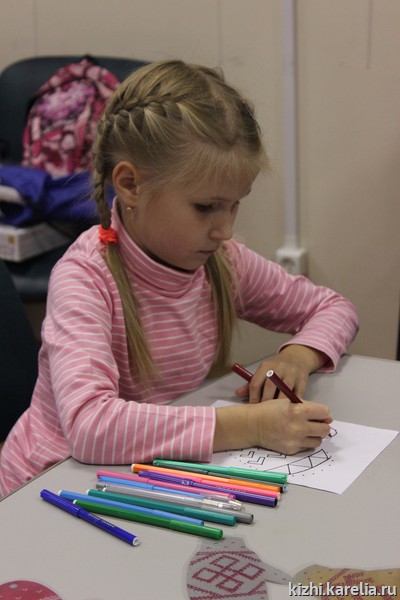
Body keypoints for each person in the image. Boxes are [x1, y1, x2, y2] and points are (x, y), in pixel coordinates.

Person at [0, 60, 358, 497]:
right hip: (47, 489)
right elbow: (90, 427)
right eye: (206, 207)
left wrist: (298, 357)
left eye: (235, 205)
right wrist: (249, 426)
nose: (225, 230)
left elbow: (334, 307)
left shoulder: (222, 261)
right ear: (130, 185)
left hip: (138, 478)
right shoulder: (85, 278)